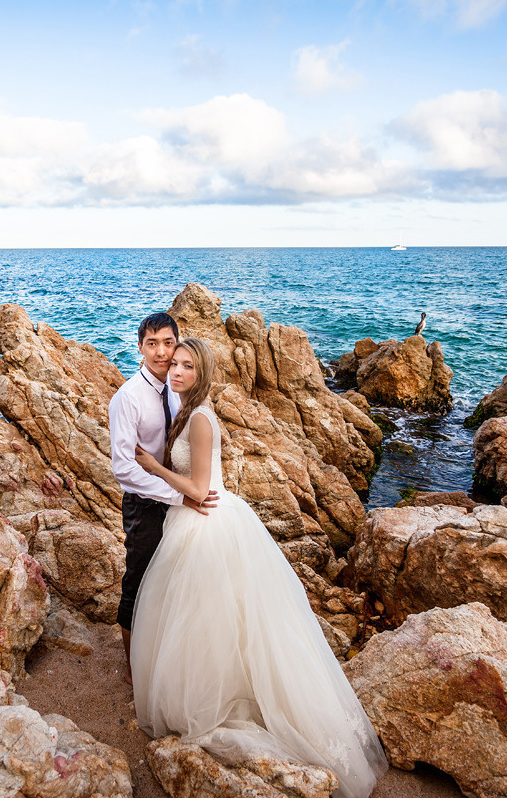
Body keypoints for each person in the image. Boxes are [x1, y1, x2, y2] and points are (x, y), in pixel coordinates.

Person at [131, 337, 388, 798]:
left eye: (189, 365)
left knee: (213, 616)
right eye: (176, 363)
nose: (178, 371)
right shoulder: (185, 412)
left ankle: (222, 700)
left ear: (203, 371)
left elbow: (199, 486)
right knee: (203, 617)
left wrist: (152, 465)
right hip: (192, 521)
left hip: (207, 523)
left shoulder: (203, 419)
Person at [108, 312, 217, 686]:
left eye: (167, 343)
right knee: (138, 584)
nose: (160, 352)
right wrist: (176, 494)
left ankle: (163, 654)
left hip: (178, 501)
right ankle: (132, 669)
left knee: (169, 583)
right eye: (151, 343)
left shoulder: (175, 385)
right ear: (140, 346)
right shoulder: (128, 398)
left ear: (176, 343)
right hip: (145, 504)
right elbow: (124, 468)